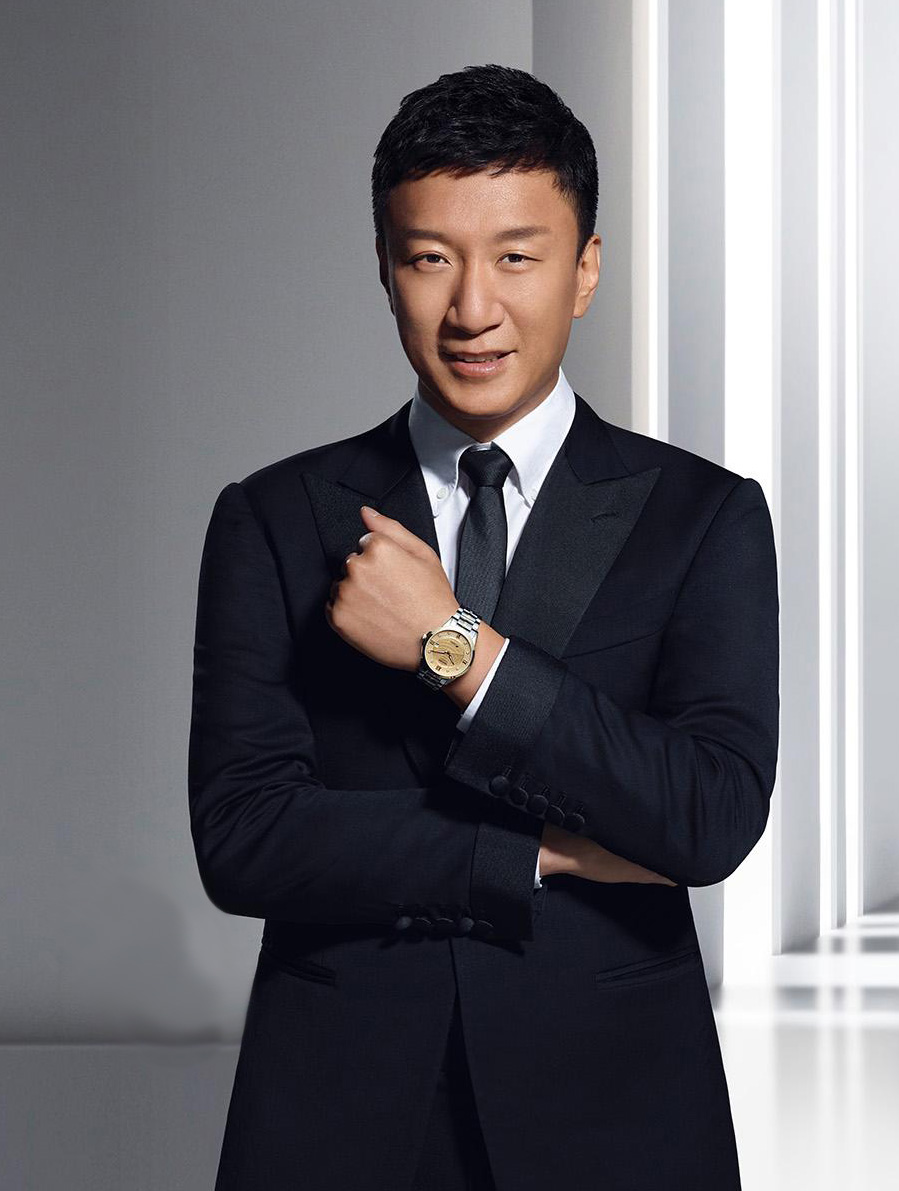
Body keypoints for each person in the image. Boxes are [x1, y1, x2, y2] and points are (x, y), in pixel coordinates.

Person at [188, 63, 779, 1191]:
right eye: (430, 258)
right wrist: (528, 855)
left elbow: (708, 814)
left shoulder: (703, 517)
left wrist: (453, 645)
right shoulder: (273, 516)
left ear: (585, 269)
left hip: (616, 1107)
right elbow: (244, 835)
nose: (472, 310)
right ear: (384, 268)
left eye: (516, 256)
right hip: (338, 1106)